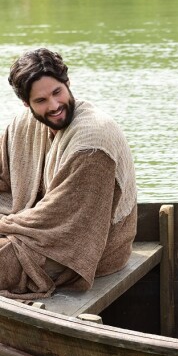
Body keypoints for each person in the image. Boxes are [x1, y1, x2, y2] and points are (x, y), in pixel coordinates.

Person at [0, 48, 137, 300]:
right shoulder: (25, 124)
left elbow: (59, 219)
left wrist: (4, 225)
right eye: (41, 101)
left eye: (57, 92)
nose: (54, 106)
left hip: (86, 247)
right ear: (26, 103)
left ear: (67, 83)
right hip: (36, 231)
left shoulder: (92, 142)